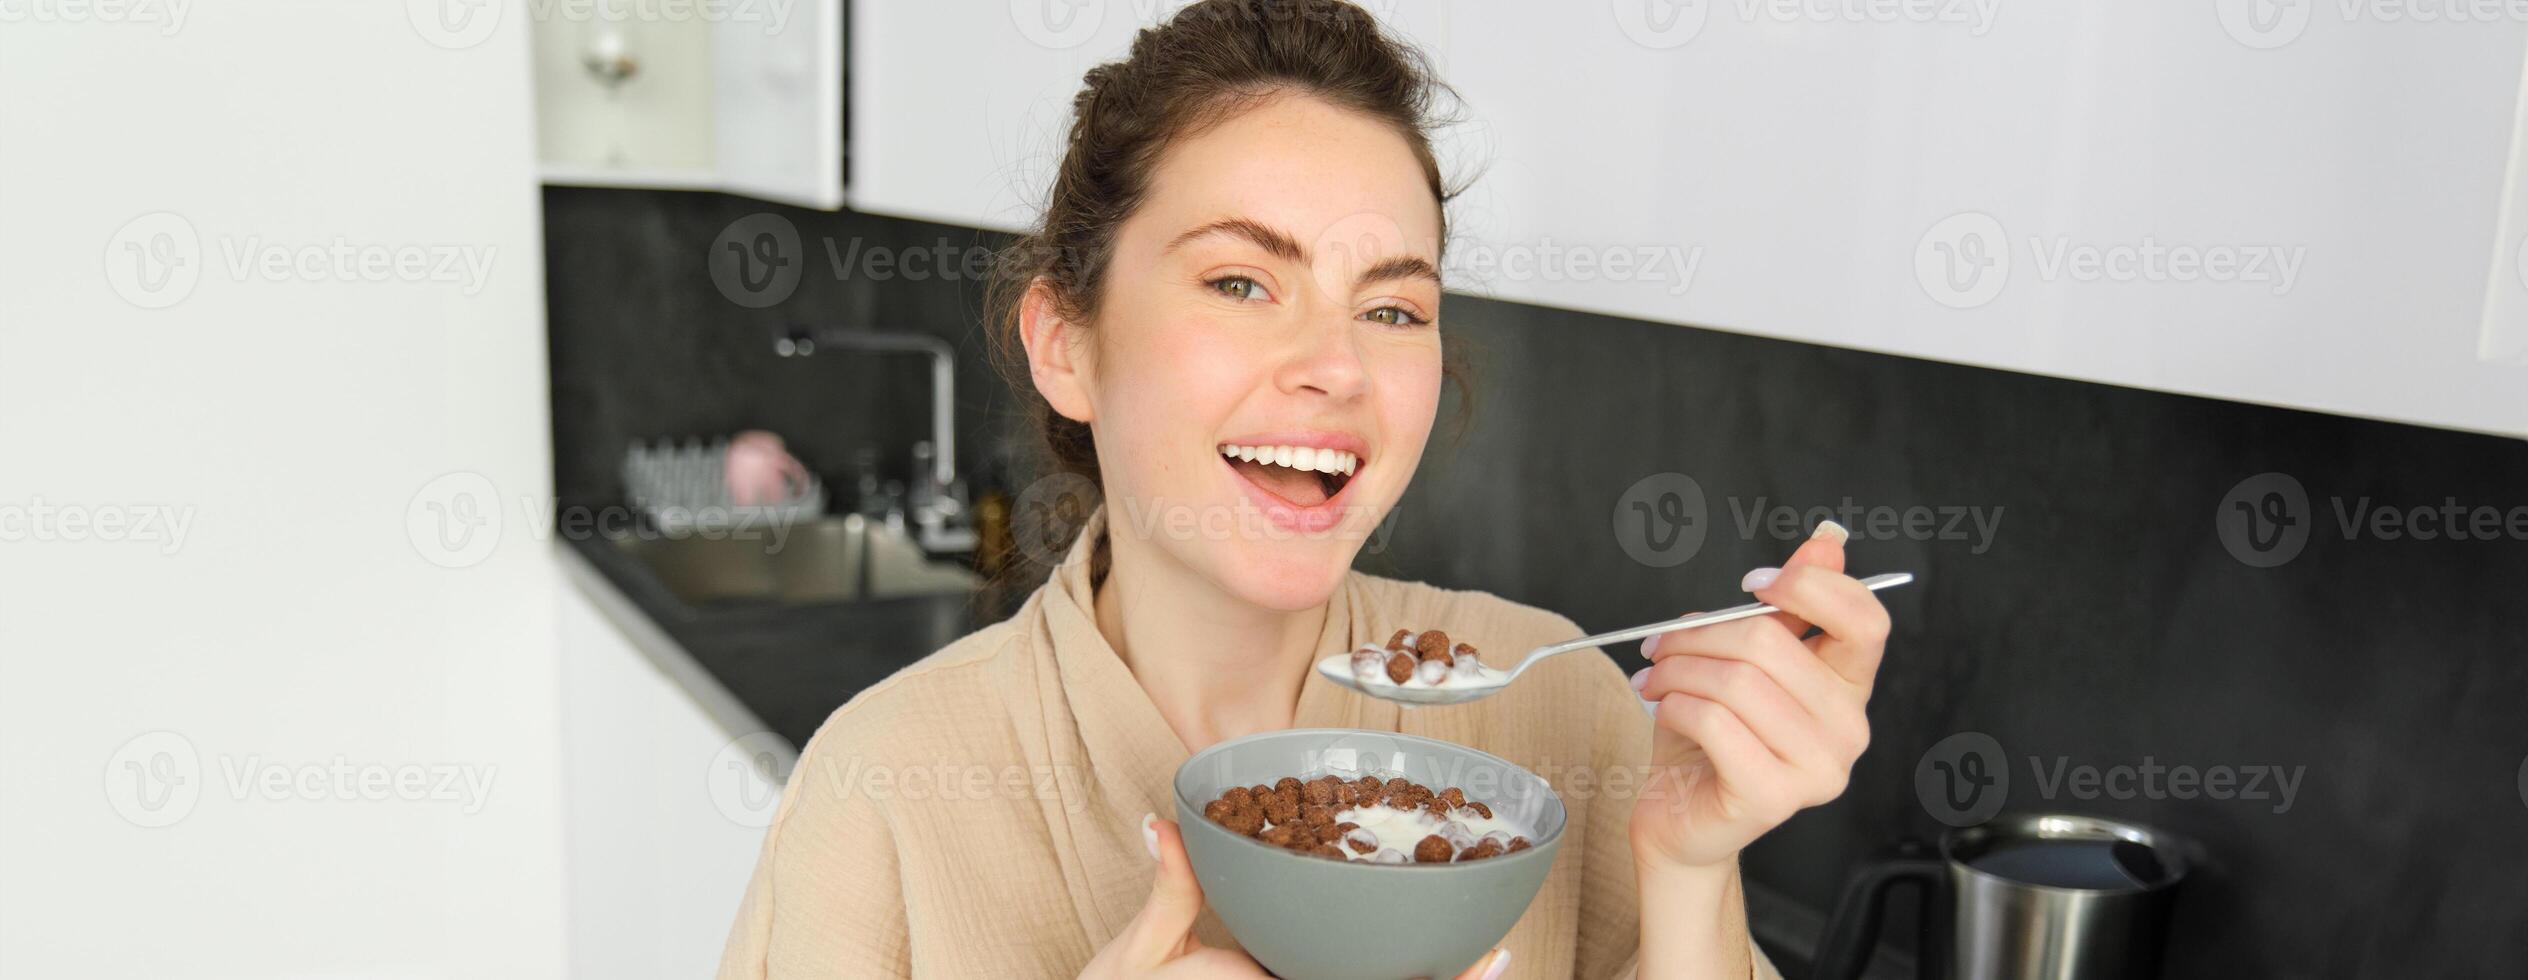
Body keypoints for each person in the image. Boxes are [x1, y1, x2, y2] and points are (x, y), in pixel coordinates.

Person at [717, 2, 1891, 977]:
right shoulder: (882, 791)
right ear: (1066, 343)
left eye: (1390, 308)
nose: (1336, 365)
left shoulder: (1564, 716)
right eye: (1239, 281)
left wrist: (1687, 863)